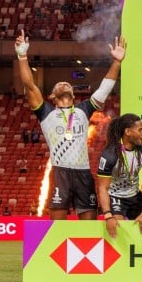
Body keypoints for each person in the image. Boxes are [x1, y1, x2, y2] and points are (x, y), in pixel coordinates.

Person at [15, 29, 124, 220]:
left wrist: (116, 61)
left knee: (88, 225)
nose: (64, 84)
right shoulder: (46, 113)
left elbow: (105, 88)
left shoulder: (83, 110)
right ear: (52, 96)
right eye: (58, 85)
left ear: (74, 95)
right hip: (60, 173)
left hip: (83, 172)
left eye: (67, 84)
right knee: (57, 225)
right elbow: (30, 86)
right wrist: (22, 56)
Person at [96, 113, 142, 238]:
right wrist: (108, 215)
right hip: (116, 198)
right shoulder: (110, 154)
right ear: (128, 132)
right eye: (140, 130)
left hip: (135, 197)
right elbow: (103, 188)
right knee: (119, 229)